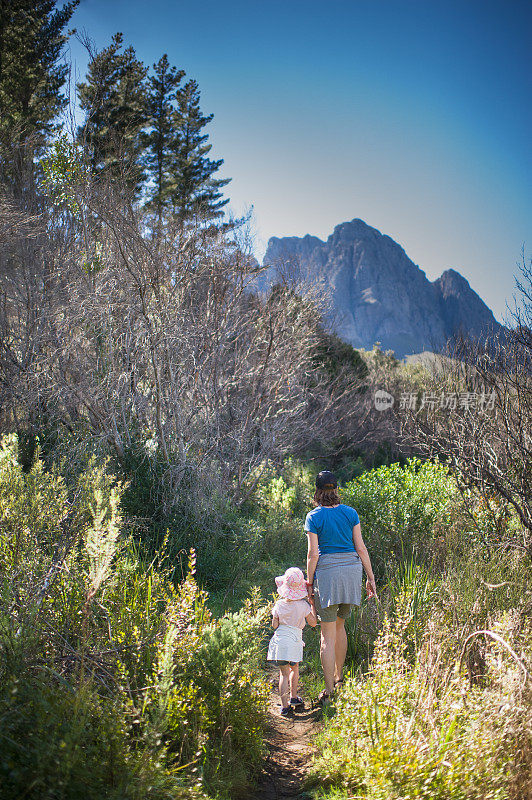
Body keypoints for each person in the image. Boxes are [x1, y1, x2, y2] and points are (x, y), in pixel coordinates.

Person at [305, 470, 377, 705]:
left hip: (328, 576)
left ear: (317, 492)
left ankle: (328, 692)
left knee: (327, 634)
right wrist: (370, 577)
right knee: (340, 626)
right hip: (351, 573)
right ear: (336, 490)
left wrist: (309, 582)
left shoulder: (313, 517)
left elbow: (313, 554)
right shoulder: (350, 513)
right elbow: (361, 547)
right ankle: (339, 679)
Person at [267, 567, 318, 717]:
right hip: (294, 641)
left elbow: (274, 626)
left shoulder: (279, 605)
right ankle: (294, 697)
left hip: (279, 642)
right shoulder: (303, 606)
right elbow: (313, 623)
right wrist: (313, 606)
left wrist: (276, 619)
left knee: (283, 674)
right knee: (294, 669)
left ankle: (284, 707)